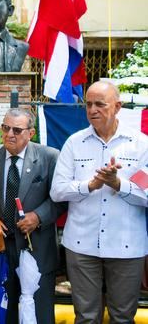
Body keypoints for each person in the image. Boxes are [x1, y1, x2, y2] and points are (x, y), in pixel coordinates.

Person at [51, 81, 148, 324]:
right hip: (81, 245)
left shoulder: (140, 145)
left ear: (117, 107)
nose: (92, 110)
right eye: (88, 104)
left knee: (123, 318)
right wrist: (90, 185)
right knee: (85, 317)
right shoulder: (75, 143)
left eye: (100, 104)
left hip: (127, 245)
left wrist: (118, 184)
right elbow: (57, 191)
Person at [0, 108, 64, 324]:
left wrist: (38, 217)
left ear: (31, 133)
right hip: (0, 249)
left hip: (37, 248)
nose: (9, 134)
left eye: (17, 129)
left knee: (38, 313)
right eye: (5, 128)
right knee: (4, 312)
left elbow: (61, 199)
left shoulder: (49, 157)